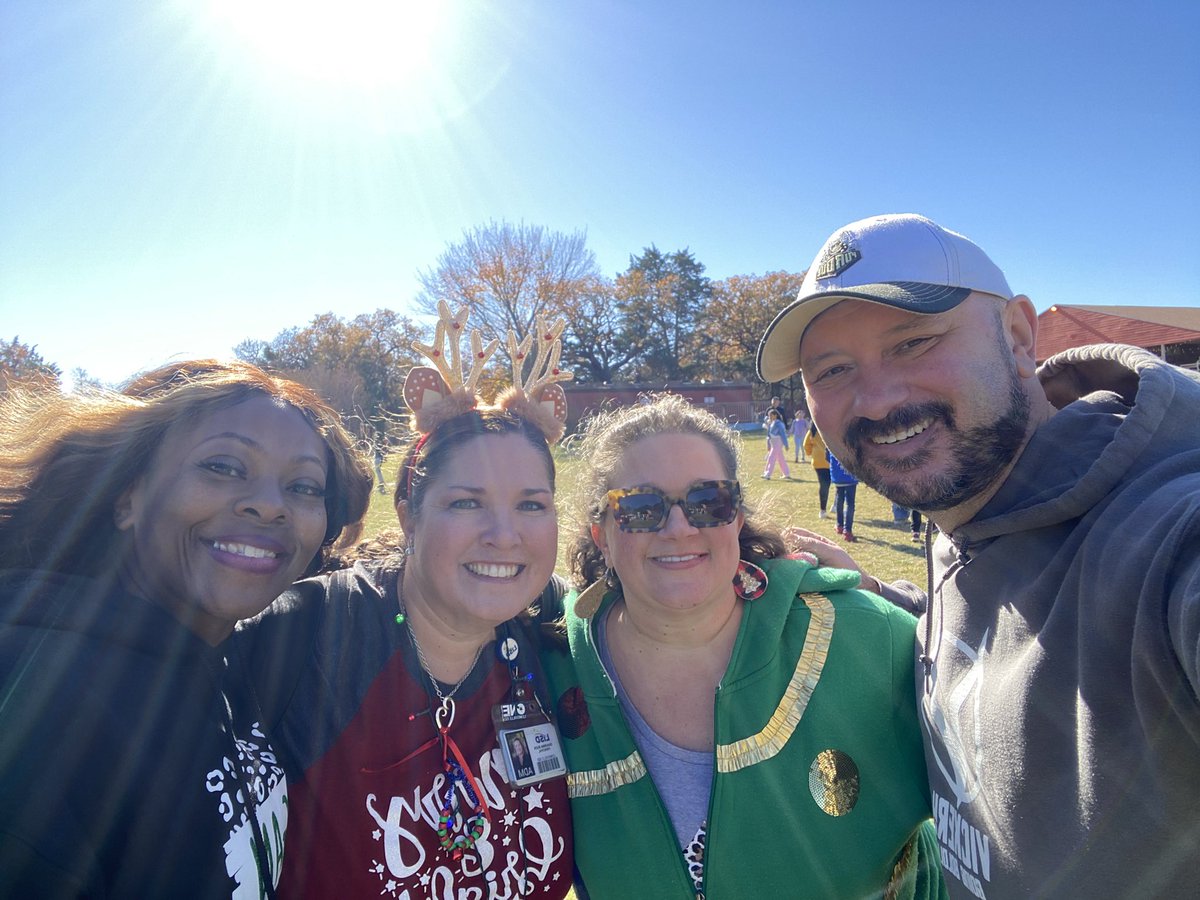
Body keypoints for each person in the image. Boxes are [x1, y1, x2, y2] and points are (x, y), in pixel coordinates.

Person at [757, 212, 1200, 897]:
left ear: (1018, 337)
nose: (877, 400)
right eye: (834, 369)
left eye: (914, 342)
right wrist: (875, 590)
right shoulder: (972, 514)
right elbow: (991, 609)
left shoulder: (1166, 534)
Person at [543, 393, 944, 899]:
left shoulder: (865, 637)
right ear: (601, 535)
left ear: (735, 517)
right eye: (641, 508)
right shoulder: (552, 671)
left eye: (708, 501)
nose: (679, 527)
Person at [235, 307, 576, 898]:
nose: (505, 535)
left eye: (531, 504)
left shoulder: (555, 633)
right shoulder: (310, 633)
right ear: (408, 515)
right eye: (467, 503)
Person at [0, 360, 372, 897]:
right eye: (223, 466)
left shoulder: (227, 653)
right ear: (127, 496)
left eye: (303, 486)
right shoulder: (34, 700)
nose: (270, 505)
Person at [827, 447, 859, 542]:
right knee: (850, 503)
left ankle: (839, 525)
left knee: (839, 500)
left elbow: (827, 456)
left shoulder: (833, 440)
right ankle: (848, 530)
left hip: (837, 476)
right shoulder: (852, 442)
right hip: (851, 476)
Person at [803, 423, 832, 518]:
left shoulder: (813, 431)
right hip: (829, 461)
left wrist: (810, 453)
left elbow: (806, 444)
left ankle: (823, 510)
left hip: (817, 461)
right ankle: (828, 508)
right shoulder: (829, 429)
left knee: (824, 485)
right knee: (833, 484)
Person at [761, 408, 791, 479]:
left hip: (778, 442)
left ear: (775, 415)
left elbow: (783, 434)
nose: (769, 417)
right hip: (774, 443)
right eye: (769, 416)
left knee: (771, 457)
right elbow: (769, 434)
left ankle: (768, 473)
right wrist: (768, 443)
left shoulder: (779, 424)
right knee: (780, 458)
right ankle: (786, 473)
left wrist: (786, 444)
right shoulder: (772, 423)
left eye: (771, 415)